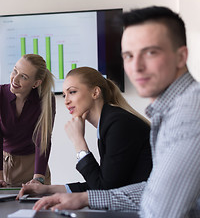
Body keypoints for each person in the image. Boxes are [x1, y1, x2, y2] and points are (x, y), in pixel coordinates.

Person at [32, 6, 200, 217]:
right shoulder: (170, 110)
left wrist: (79, 147)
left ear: (181, 56)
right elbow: (152, 189)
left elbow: (162, 210)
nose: (136, 66)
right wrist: (84, 198)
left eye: (150, 52)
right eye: (128, 56)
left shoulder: (189, 114)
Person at [18, 67, 152, 198]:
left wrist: (79, 143)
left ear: (95, 93)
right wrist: (46, 189)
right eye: (64, 95)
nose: (66, 101)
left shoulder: (118, 124)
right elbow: (102, 183)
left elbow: (104, 190)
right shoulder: (109, 122)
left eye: (72, 92)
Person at [0, 54, 56, 188]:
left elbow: (43, 139)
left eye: (23, 76)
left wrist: (39, 178)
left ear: (36, 83)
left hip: (33, 166)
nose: (15, 79)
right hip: (0, 165)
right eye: (15, 71)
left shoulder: (46, 100)